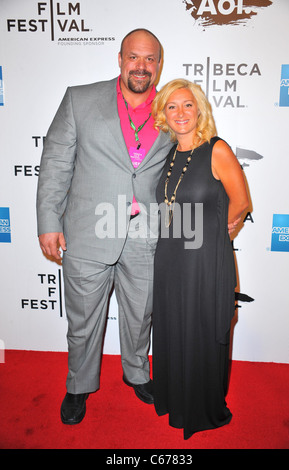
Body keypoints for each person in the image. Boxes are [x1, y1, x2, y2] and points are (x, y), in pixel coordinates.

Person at [36, 29, 173, 425]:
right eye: (134, 57)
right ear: (119, 58)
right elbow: (56, 164)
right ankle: (78, 386)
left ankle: (137, 374)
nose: (141, 66)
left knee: (141, 315)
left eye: (150, 59)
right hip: (87, 230)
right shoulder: (80, 99)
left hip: (146, 235)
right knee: (82, 319)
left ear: (159, 64)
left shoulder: (172, 108)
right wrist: (48, 221)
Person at [151, 79, 249, 439]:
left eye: (187, 105)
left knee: (202, 328)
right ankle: (176, 396)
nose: (180, 113)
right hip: (170, 255)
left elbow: (240, 203)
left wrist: (213, 235)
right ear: (163, 113)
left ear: (199, 110)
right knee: (175, 325)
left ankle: (202, 405)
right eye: (172, 106)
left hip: (205, 260)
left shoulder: (216, 149)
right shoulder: (167, 153)